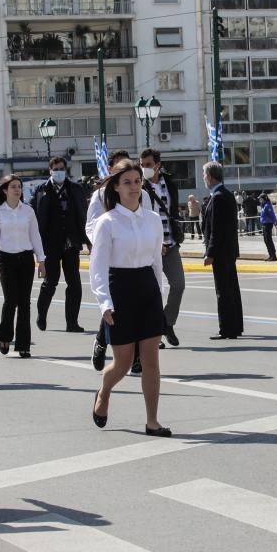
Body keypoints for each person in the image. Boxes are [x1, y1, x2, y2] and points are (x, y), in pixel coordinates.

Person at [89, 160, 171, 437]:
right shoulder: (106, 222)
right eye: (127, 182)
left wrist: (160, 296)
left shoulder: (153, 219)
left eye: (137, 181)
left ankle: (152, 421)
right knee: (122, 364)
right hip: (120, 289)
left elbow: (157, 262)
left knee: (151, 361)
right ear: (116, 187)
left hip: (147, 288)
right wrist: (104, 302)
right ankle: (104, 390)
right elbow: (98, 267)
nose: (134, 187)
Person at [86, 149, 153, 372]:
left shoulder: (143, 195)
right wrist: (103, 243)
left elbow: (148, 221)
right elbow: (91, 225)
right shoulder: (99, 196)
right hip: (113, 259)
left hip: (139, 263)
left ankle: (136, 358)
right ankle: (101, 341)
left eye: (136, 179)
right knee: (113, 309)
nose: (133, 185)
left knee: (139, 314)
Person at [0, 175, 46, 358]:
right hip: (6, 260)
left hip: (26, 259)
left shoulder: (28, 211)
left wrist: (41, 261)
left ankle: (23, 344)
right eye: (13, 186)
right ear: (5, 190)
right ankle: (4, 336)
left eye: (19, 186)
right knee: (10, 300)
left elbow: (35, 236)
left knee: (24, 302)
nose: (17, 189)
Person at [32, 156, 89, 333]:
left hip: (71, 242)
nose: (59, 172)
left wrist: (87, 240)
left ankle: (72, 322)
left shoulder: (75, 189)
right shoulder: (41, 190)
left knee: (74, 283)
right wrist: (36, 246)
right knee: (51, 281)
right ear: (50, 171)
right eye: (55, 169)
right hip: (50, 243)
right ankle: (42, 315)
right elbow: (34, 218)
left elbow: (83, 215)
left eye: (61, 169)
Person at [139, 148, 185, 347]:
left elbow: (173, 211)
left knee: (179, 285)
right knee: (152, 293)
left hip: (171, 244)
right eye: (142, 165)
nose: (144, 168)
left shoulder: (170, 184)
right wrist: (155, 243)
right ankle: (152, 333)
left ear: (158, 165)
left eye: (148, 165)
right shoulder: (139, 187)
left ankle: (167, 322)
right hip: (150, 248)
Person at [202, 161, 243, 340]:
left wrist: (210, 253)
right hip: (229, 251)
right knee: (232, 289)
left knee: (223, 291)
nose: (204, 178)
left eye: (204, 175)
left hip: (220, 253)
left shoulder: (218, 197)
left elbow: (216, 229)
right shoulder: (226, 194)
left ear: (210, 177)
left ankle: (227, 329)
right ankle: (236, 326)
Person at [259, 193, 277, 260]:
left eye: (261, 199)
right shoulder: (264, 205)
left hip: (268, 224)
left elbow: (272, 214)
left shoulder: (267, 206)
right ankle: (271, 255)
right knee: (266, 240)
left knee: (268, 240)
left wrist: (275, 222)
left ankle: (273, 256)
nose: (260, 200)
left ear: (264, 199)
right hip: (264, 224)